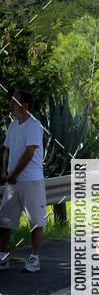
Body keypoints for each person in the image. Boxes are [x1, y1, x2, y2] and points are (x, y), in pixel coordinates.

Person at [0, 90, 46, 272]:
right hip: (13, 182)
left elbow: (29, 153)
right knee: (4, 221)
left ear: (25, 106)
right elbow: (7, 150)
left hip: (31, 181)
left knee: (36, 222)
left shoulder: (34, 125)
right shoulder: (13, 126)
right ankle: (3, 257)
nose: (11, 105)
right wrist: (5, 170)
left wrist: (13, 174)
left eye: (15, 102)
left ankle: (34, 259)